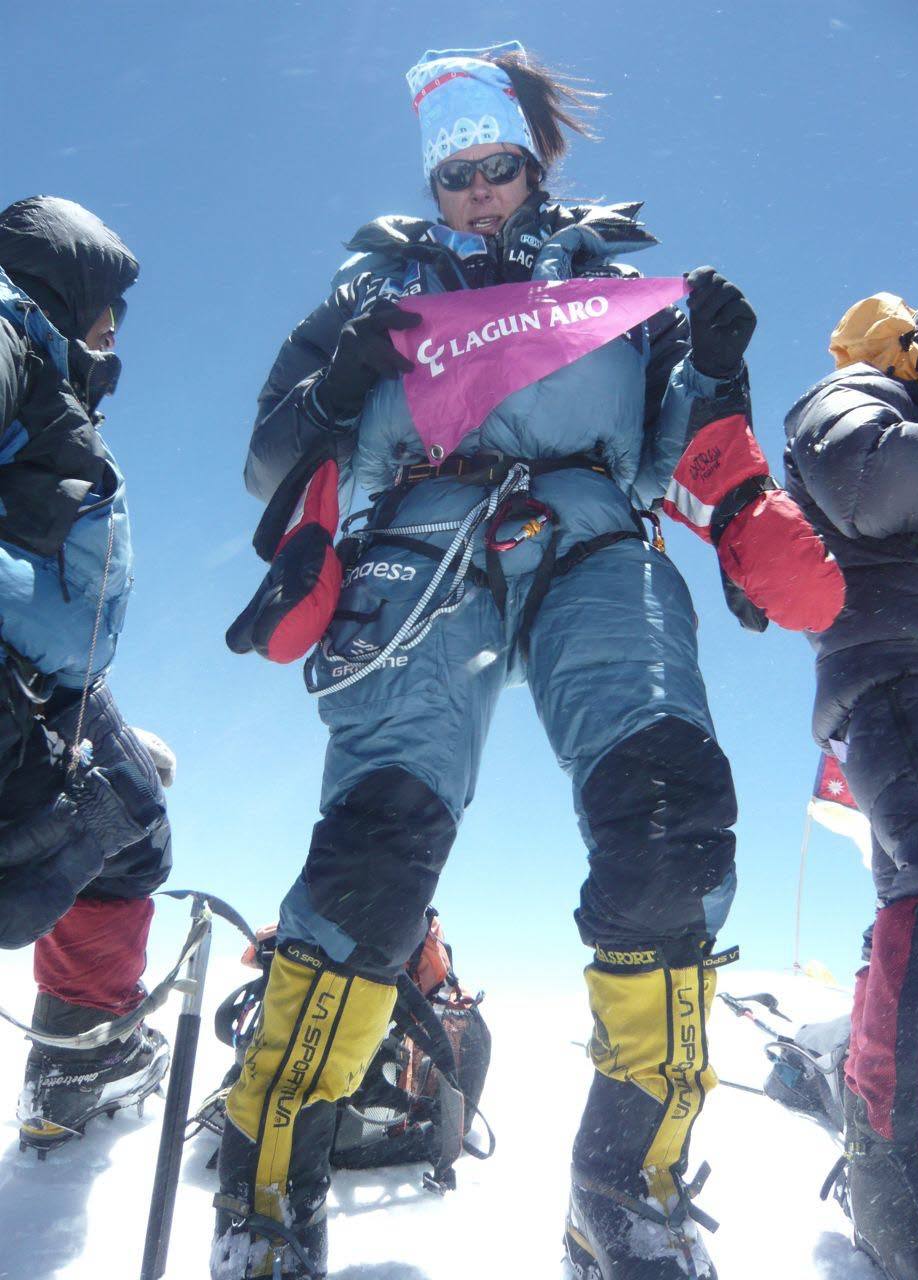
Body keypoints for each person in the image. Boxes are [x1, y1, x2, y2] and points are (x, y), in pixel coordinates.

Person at [215, 44, 842, 1280]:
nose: (479, 195)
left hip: (598, 532)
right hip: (421, 543)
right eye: (456, 178)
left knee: (669, 820)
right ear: (432, 185)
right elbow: (267, 460)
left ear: (530, 161)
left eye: (497, 167)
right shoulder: (374, 285)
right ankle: (269, 1203)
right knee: (377, 850)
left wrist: (714, 360)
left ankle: (626, 1196)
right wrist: (338, 384)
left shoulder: (611, 277)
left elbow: (678, 446)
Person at [783, 277, 918, 1278]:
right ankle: (913, 1200)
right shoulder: (855, 394)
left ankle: (896, 1159)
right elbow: (872, 481)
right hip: (906, 677)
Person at [0, 196, 173, 1153]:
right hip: (16, 686)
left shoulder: (43, 375)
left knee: (131, 826)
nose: (114, 327)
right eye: (107, 301)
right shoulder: (6, 332)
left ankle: (78, 1059)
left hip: (45, 688)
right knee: (126, 835)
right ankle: (78, 1057)